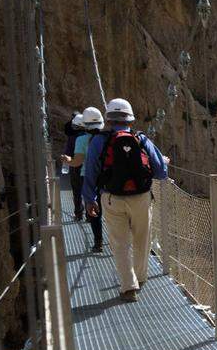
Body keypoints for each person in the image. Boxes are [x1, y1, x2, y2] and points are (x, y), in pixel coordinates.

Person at [83, 98, 168, 302]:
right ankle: (140, 277)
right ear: (130, 119)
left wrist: (89, 199)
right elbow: (160, 172)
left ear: (109, 119)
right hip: (141, 198)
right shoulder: (141, 139)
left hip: (112, 198)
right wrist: (164, 163)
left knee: (119, 243)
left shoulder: (98, 141)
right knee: (142, 239)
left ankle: (128, 287)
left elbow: (91, 172)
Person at [62, 107, 105, 251]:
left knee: (93, 210)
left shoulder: (81, 140)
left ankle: (98, 242)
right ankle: (115, 240)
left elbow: (77, 162)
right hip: (106, 177)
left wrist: (68, 160)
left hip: (88, 177)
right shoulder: (106, 137)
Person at [59, 111, 85, 220]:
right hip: (88, 166)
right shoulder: (88, 135)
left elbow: (68, 152)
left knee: (77, 191)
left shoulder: (72, 136)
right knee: (89, 189)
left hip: (75, 165)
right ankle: (91, 215)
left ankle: (78, 214)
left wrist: (66, 162)